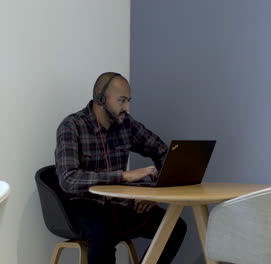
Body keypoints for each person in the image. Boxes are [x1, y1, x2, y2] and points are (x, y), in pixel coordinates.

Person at [55, 72, 187, 264]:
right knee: (102, 233)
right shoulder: (71, 126)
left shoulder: (126, 124)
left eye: (128, 100)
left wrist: (154, 193)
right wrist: (124, 176)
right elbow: (68, 179)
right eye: (122, 100)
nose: (127, 107)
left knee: (174, 227)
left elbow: (162, 152)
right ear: (100, 98)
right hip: (84, 205)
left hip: (119, 204)